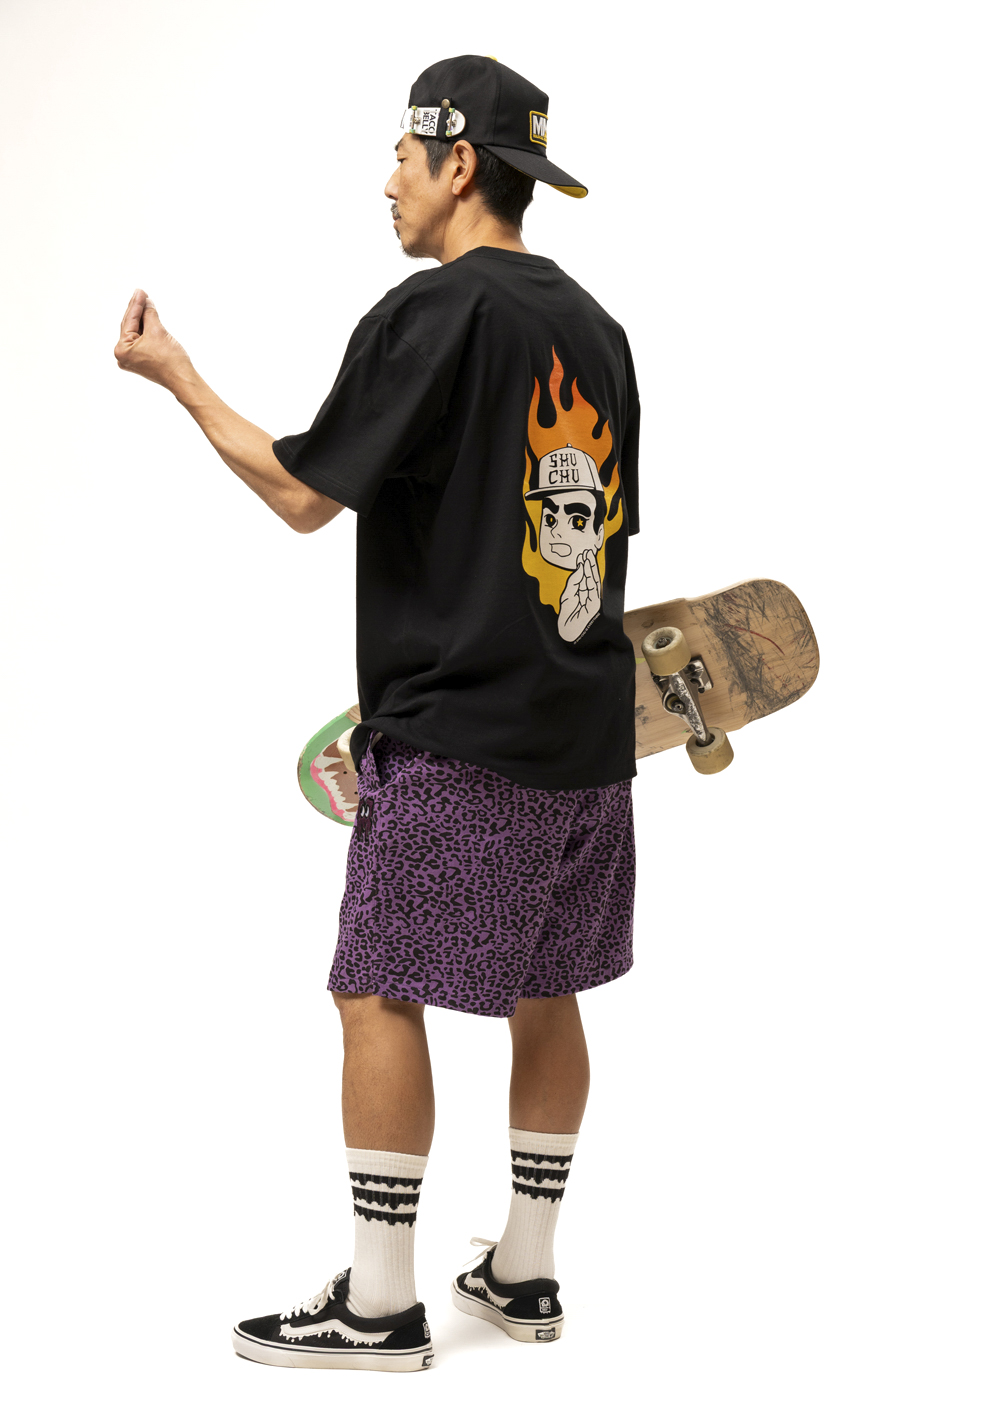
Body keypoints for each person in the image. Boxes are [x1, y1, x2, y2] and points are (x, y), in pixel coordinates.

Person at [115, 54, 640, 1373]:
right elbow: (571, 540)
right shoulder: (598, 330)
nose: (387, 181)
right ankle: (525, 1271)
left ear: (459, 163)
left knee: (375, 987)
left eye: (402, 157)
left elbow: (304, 493)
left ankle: (383, 1302)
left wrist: (180, 376)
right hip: (588, 736)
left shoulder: (434, 312)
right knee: (545, 986)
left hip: (465, 742)